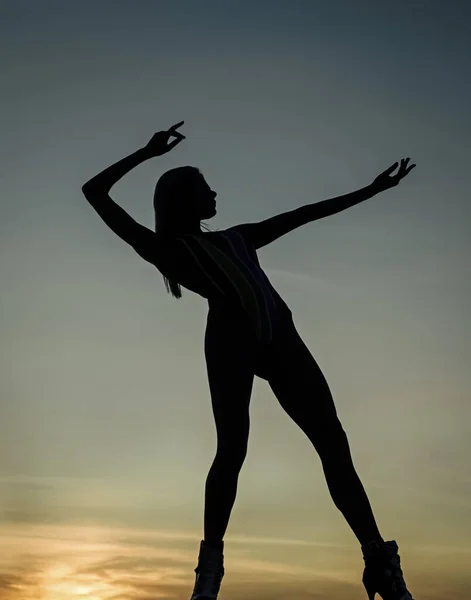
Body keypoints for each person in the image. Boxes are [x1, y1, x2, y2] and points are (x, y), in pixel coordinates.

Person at [81, 121, 417, 600]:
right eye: (204, 187)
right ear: (182, 200)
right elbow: (94, 191)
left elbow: (304, 214)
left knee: (333, 445)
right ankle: (209, 571)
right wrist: (146, 153)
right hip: (230, 345)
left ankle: (380, 563)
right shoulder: (165, 251)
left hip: (283, 341)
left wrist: (371, 190)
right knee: (232, 450)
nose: (214, 192)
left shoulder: (239, 237)